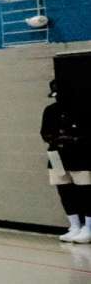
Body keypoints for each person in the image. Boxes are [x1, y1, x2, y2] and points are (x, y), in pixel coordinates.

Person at [42, 80, 91, 243]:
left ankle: (88, 227)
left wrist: (73, 138)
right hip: (57, 156)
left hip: (79, 157)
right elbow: (45, 133)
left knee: (85, 192)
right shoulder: (50, 111)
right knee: (65, 191)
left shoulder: (81, 110)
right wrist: (55, 138)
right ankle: (74, 225)